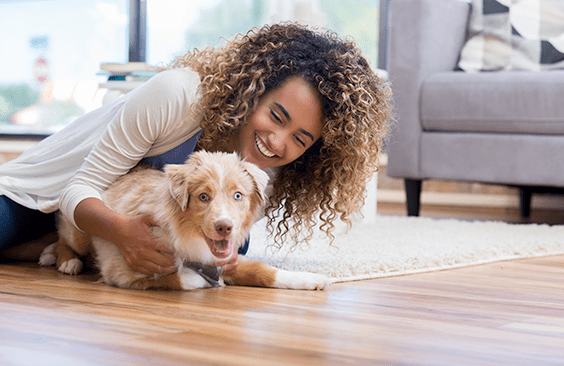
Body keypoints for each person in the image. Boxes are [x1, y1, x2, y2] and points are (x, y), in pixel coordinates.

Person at [0, 22, 392, 276]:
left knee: (235, 243)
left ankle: (49, 249)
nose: (278, 141)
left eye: (300, 139)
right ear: (254, 91)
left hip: (99, 221)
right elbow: (78, 186)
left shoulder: (265, 170)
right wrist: (122, 234)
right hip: (42, 193)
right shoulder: (179, 96)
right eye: (276, 115)